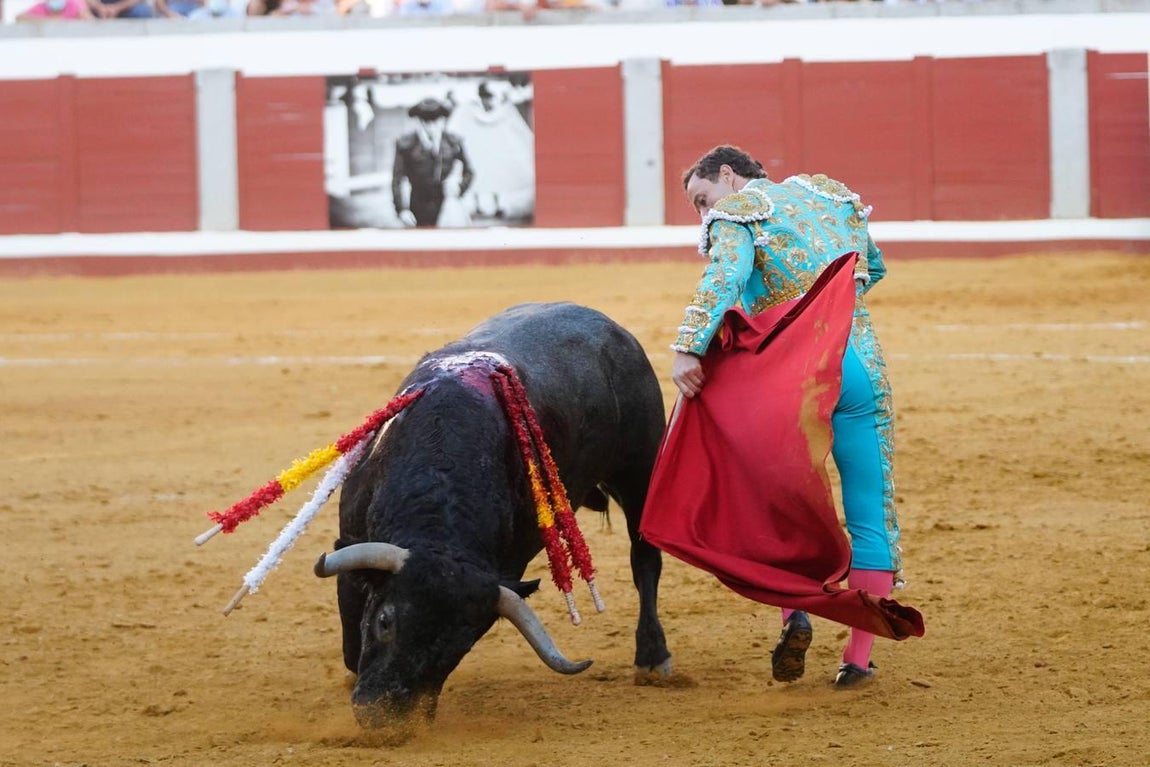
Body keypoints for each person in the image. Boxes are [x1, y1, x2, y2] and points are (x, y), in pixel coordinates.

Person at [656, 145, 913, 689]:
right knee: (871, 511)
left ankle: (794, 611)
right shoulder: (830, 195)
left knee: (777, 501)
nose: (704, 214)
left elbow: (725, 277)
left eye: (703, 199)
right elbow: (875, 265)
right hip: (861, 363)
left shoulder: (737, 211)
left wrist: (688, 348)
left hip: (795, 379)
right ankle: (859, 661)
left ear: (728, 176)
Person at [392, 97, 474, 228]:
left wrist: (460, 187)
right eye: (426, 121)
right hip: (417, 205)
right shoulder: (406, 144)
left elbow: (469, 172)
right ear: (420, 122)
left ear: (442, 120)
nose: (431, 126)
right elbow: (397, 179)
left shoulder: (453, 142)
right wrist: (402, 209)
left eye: (435, 121)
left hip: (447, 203)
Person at [17, 0, 92, 19]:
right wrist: (48, 21)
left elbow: (90, 20)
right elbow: (19, 17)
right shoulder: (41, 7)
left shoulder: (73, 4)